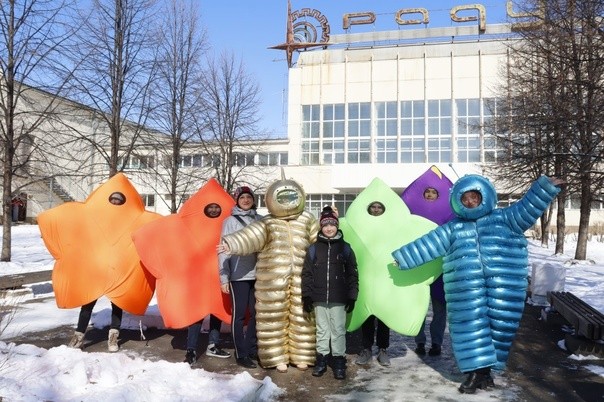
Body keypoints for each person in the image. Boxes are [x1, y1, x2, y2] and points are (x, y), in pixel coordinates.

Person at [392, 175, 563, 394]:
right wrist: (401, 258)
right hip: (466, 292)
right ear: (457, 201)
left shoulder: (507, 219)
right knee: (470, 331)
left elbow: (528, 206)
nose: (470, 202)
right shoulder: (453, 228)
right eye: (465, 199)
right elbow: (426, 245)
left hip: (504, 288)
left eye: (474, 197)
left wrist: (545, 187)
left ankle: (486, 374)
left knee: (500, 330)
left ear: (484, 196)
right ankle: (476, 373)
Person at [218, 175, 318, 373]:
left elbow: (319, 240)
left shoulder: (307, 219)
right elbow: (250, 237)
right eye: (283, 197)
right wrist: (231, 244)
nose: (287, 202)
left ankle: (302, 354)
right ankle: (275, 356)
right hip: (270, 278)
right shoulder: (266, 222)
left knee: (302, 314)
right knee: (272, 317)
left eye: (291, 197)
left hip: (301, 275)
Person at [302, 206, 358, 380]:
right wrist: (307, 296)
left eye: (332, 224)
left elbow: (353, 274)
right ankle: (321, 360)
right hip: (319, 297)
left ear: (337, 226)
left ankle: (339, 362)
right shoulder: (313, 249)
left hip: (339, 297)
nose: (329, 228)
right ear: (321, 227)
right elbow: (307, 273)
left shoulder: (345, 248)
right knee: (322, 330)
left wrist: (352, 296)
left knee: (338, 330)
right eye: (325, 225)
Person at [67, 191, 127, 352]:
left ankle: (113, 337)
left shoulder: (125, 221)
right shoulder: (99, 219)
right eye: (113, 200)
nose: (115, 203)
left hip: (116, 268)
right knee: (87, 303)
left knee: (117, 304)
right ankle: (79, 336)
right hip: (97, 268)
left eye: (118, 201)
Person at [218, 186, 261, 369]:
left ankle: (251, 348)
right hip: (238, 276)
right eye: (242, 197)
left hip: (259, 275)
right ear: (237, 200)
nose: (245, 200)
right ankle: (241, 353)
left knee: (257, 313)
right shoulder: (230, 222)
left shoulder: (260, 220)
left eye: (248, 197)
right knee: (240, 315)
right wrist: (224, 277)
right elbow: (223, 250)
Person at [185, 202, 231, 365]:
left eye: (216, 207)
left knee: (217, 311)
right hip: (200, 276)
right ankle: (191, 348)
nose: (213, 210)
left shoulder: (226, 224)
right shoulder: (195, 224)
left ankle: (213, 344)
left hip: (219, 273)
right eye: (210, 207)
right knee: (197, 313)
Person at [355, 201, 391, 367]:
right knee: (367, 316)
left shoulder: (390, 227)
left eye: (379, 207)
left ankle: (383, 349)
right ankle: (366, 349)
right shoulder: (362, 226)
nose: (376, 210)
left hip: (384, 277)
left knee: (383, 316)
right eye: (373, 207)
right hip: (367, 276)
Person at [414, 188, 447, 357]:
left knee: (439, 310)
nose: (429, 194)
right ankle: (420, 342)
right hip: (421, 268)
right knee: (418, 308)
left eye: (434, 192)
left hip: (440, 270)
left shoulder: (447, 217)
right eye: (427, 191)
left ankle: (436, 343)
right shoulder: (415, 216)